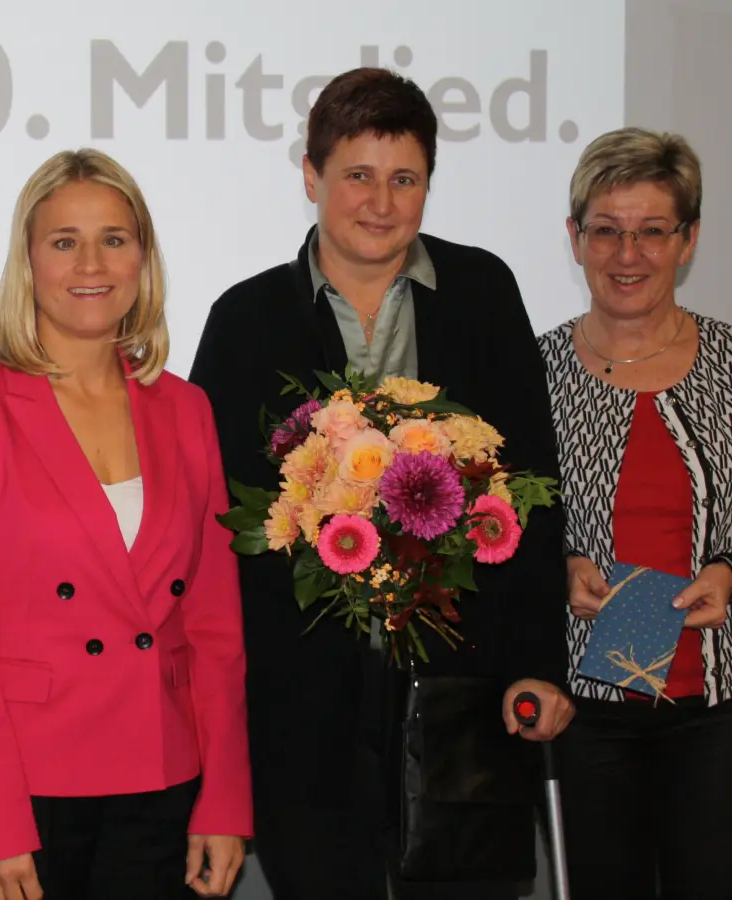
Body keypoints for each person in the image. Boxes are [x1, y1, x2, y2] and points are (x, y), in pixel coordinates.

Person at [188, 67, 572, 899]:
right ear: (311, 176)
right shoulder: (246, 321)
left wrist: (539, 665)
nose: (381, 202)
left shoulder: (484, 293)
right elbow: (216, 531)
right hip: (301, 707)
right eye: (358, 175)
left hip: (460, 699)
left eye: (406, 179)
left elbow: (532, 487)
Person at [0, 148, 253, 900]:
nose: (91, 263)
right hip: (31, 792)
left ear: (143, 256)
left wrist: (226, 798)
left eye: (115, 237)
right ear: (29, 262)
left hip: (165, 777)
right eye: (64, 241)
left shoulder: (186, 409)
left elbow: (215, 631)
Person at [540, 127, 732, 899]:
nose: (626, 254)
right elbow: (501, 525)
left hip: (726, 709)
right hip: (588, 708)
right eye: (606, 230)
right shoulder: (534, 371)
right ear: (575, 239)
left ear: (688, 240)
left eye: (651, 231)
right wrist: (557, 564)